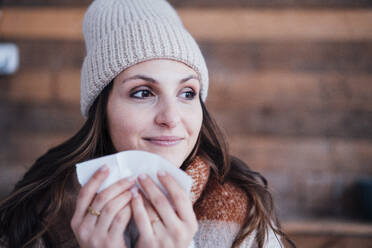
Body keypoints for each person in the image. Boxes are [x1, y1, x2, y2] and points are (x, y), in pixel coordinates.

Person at [0, 0, 295, 247]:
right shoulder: (37, 215)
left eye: (187, 93)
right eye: (143, 92)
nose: (171, 118)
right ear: (102, 109)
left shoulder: (245, 216)